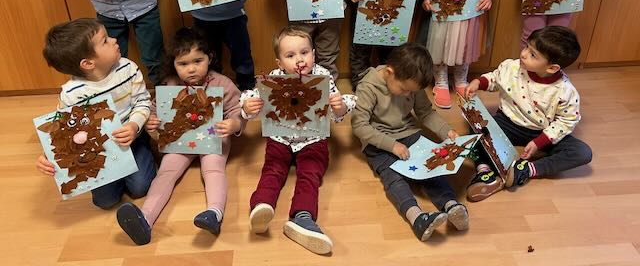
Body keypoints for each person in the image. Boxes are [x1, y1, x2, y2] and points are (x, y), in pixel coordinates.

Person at [116, 27, 245, 244]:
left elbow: (237, 109)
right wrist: (151, 124)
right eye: (183, 64)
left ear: (210, 58)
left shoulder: (222, 83)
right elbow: (154, 110)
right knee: (166, 172)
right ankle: (145, 219)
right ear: (173, 64)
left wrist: (234, 124)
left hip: (214, 136)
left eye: (198, 61)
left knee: (213, 168)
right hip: (180, 139)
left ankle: (214, 213)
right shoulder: (170, 84)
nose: (191, 69)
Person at [240, 27, 356, 254]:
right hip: (281, 137)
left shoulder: (323, 77)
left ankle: (302, 217)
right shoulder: (274, 77)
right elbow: (252, 99)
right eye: (290, 55)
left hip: (313, 138)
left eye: (304, 53)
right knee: (273, 169)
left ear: (314, 54)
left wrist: (339, 107)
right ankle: (262, 205)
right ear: (280, 62)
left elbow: (338, 110)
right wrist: (248, 107)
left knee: (310, 174)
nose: (300, 60)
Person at [351, 43, 469, 242]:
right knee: (393, 177)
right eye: (405, 90)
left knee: (432, 165)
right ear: (389, 72)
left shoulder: (412, 82)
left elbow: (425, 112)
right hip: (377, 141)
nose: (408, 95)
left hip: (408, 132)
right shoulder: (368, 86)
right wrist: (391, 145)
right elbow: (359, 126)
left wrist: (446, 131)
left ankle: (451, 205)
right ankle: (417, 218)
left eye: (411, 92)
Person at [36, 18, 156, 208]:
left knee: (141, 188)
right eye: (105, 41)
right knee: (105, 201)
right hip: (99, 150)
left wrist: (134, 126)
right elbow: (62, 128)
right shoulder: (72, 93)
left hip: (133, 138)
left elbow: (142, 101)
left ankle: (138, 161)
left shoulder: (128, 68)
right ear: (88, 63)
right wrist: (47, 155)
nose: (114, 40)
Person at [464, 26, 592, 202]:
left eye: (533, 55)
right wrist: (479, 82)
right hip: (507, 122)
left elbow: (567, 120)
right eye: (526, 47)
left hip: (542, 132)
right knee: (474, 125)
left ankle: (526, 170)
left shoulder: (565, 91)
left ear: (552, 68)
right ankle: (484, 171)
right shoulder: (513, 67)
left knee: (582, 152)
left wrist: (540, 142)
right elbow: (495, 78)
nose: (523, 54)